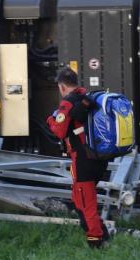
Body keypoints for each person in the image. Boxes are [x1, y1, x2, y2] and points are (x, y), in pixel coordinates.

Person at [46, 66, 110, 249]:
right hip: (98, 157)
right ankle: (103, 236)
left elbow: (59, 131)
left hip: (83, 160)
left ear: (62, 86)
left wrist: (51, 119)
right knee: (79, 200)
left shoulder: (68, 103)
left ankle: (96, 244)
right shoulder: (88, 97)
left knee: (85, 203)